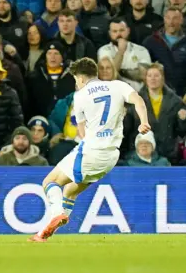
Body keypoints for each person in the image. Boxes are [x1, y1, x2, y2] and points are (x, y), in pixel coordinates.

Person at [29, 57, 150, 243]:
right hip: (111, 156)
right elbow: (139, 101)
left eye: (76, 79)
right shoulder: (118, 85)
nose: (76, 83)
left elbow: (82, 131)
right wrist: (144, 122)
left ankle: (57, 213)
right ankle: (44, 233)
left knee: (49, 182)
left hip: (91, 150)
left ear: (81, 77)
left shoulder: (80, 95)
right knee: (70, 191)